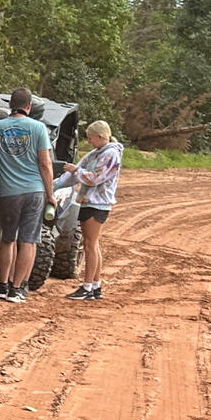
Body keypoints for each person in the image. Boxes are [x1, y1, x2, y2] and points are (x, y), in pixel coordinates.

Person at [0, 89, 53, 301]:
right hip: (33, 190)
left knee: (7, 239)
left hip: (8, 192)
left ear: (11, 104)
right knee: (29, 241)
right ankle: (17, 288)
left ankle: (3, 285)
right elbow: (45, 163)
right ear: (29, 106)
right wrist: (50, 194)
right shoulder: (38, 128)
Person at [62, 120, 122, 300]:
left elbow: (95, 178)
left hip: (97, 203)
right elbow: (77, 173)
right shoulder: (96, 153)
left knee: (89, 245)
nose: (89, 142)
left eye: (90, 138)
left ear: (100, 136)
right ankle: (95, 286)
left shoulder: (110, 154)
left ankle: (87, 286)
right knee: (93, 244)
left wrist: (76, 171)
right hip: (90, 202)